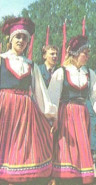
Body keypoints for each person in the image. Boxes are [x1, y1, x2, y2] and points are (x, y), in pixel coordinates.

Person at [0, 17, 56, 183]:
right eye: (18, 37)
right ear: (11, 39)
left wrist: (50, 115)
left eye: (25, 38)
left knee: (20, 150)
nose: (21, 41)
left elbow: (40, 93)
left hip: (24, 115)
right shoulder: (2, 60)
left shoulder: (31, 65)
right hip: (4, 111)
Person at [48, 35, 96, 184]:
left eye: (88, 53)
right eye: (85, 53)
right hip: (65, 117)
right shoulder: (61, 72)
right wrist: (53, 119)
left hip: (82, 116)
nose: (88, 56)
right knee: (66, 150)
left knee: (81, 152)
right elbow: (52, 97)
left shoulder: (90, 74)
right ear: (75, 53)